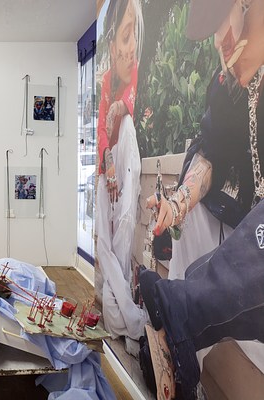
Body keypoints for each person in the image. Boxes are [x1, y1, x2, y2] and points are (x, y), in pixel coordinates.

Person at [141, 0, 264, 397]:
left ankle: (179, 317)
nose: (220, 44)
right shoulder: (230, 86)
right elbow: (212, 151)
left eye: (223, 23)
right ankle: (178, 342)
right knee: (196, 220)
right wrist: (177, 204)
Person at [95, 0, 147, 341]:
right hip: (107, 167)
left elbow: (123, 110)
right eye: (125, 38)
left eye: (134, 36)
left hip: (127, 164)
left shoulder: (134, 73)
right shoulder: (106, 80)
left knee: (122, 234)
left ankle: (121, 323)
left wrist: (118, 108)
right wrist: (108, 165)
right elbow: (102, 129)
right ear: (112, 45)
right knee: (104, 244)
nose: (130, 49)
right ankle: (131, 320)